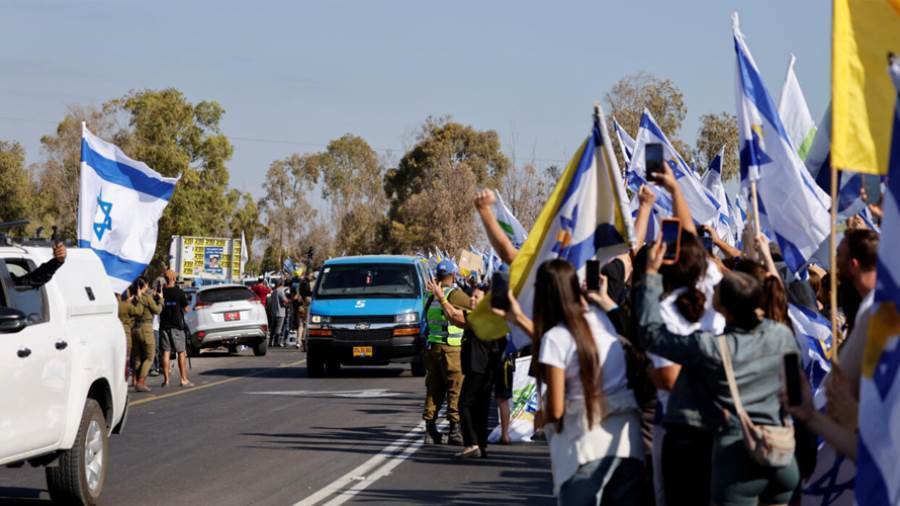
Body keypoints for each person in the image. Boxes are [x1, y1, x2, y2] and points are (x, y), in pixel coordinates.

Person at [637, 241, 800, 506]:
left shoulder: (712, 348)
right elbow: (796, 395)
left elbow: (652, 335)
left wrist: (651, 277)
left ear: (723, 308)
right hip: (782, 454)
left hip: (740, 456)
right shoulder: (781, 335)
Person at [500, 259, 644, 504]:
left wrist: (538, 418)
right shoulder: (601, 321)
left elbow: (556, 409)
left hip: (583, 450)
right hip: (626, 444)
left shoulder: (556, 338)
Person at [456, 282, 507, 459]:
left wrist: (441, 298)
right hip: (486, 368)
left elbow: (456, 317)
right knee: (480, 407)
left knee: (464, 404)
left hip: (479, 367)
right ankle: (481, 445)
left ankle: (471, 443)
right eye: (472, 296)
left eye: (476, 297)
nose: (472, 299)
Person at [422, 260, 466, 446]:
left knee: (434, 389)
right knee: (455, 389)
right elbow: (473, 307)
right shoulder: (454, 295)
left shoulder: (429, 296)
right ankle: (455, 430)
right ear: (453, 275)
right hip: (452, 348)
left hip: (433, 348)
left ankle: (430, 430)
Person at [159, 270, 193, 388]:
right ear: (173, 279)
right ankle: (183, 379)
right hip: (176, 326)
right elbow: (186, 309)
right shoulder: (179, 292)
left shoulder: (161, 292)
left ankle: (166, 380)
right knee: (181, 352)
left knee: (166, 352)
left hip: (164, 326)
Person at [132, 278, 163, 393]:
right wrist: (161, 300)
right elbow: (157, 310)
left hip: (135, 328)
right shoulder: (146, 298)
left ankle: (136, 381)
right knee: (150, 356)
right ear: (145, 285)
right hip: (146, 329)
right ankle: (141, 382)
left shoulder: (133, 298)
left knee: (138, 357)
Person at [269, 279, 289, 347]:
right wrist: (288, 301)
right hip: (280, 312)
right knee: (278, 329)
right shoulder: (280, 291)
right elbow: (285, 300)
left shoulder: (274, 291)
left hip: (273, 312)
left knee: (272, 328)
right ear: (281, 284)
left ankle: (270, 341)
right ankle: (276, 342)